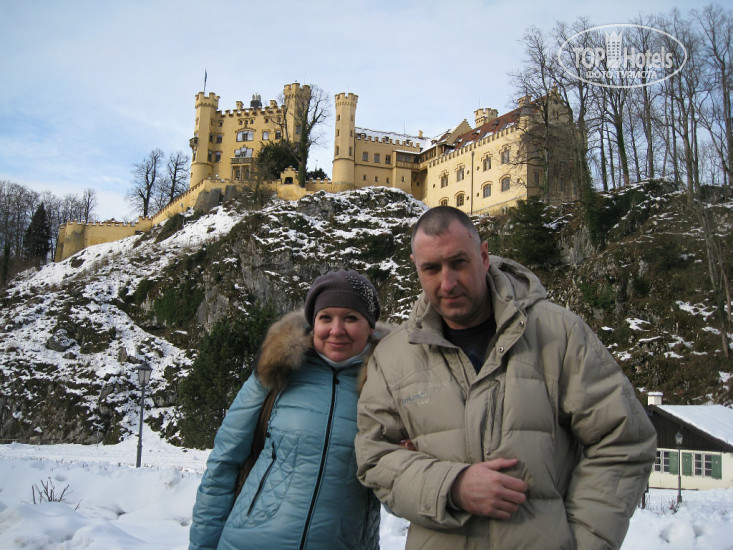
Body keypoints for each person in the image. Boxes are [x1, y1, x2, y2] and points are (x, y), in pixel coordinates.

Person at [355, 206, 657, 550]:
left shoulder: (560, 334)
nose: (448, 283)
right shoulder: (393, 357)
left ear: (484, 256)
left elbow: (623, 440)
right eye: (432, 268)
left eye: (459, 262)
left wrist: (584, 543)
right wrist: (452, 487)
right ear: (416, 267)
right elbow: (374, 457)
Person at [190, 270, 385, 550]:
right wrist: (202, 546)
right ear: (313, 322)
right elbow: (224, 463)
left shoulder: (390, 384)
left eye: (351, 318)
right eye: (325, 317)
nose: (336, 330)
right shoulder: (277, 371)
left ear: (370, 327)